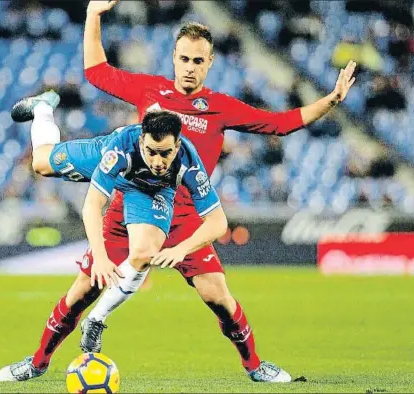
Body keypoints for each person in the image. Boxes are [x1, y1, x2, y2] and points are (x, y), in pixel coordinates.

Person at [25, 0, 357, 382]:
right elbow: (97, 72)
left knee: (219, 297)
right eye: (184, 58)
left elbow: (279, 124)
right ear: (174, 58)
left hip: (184, 215)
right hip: (132, 199)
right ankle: (37, 362)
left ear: (210, 63)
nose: (189, 67)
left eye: (198, 61)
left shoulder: (219, 107)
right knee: (83, 287)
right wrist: (93, 15)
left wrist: (331, 101)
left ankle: (255, 366)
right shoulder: (150, 90)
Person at [0, 92, 228, 382]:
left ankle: (96, 319)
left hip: (149, 193)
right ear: (142, 140)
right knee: (41, 163)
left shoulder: (188, 161)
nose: (158, 161)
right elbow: (92, 206)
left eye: (165, 153)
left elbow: (218, 222)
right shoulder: (119, 149)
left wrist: (182, 248)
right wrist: (101, 259)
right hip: (110, 166)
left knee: (144, 252)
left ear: (177, 146)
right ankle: (43, 109)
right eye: (152, 151)